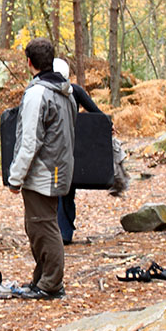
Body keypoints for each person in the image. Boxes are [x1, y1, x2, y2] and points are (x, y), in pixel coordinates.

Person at [5, 38, 76, 300]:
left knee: (43, 227)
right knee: (38, 227)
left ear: (29, 62)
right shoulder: (63, 91)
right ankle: (42, 278)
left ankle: (51, 284)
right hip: (58, 168)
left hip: (45, 172)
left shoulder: (39, 94)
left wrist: (15, 177)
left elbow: (29, 141)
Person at [51, 57, 104, 245]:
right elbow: (97, 114)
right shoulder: (72, 91)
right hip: (66, 152)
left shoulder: (70, 91)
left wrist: (106, 126)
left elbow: (97, 115)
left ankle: (62, 233)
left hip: (62, 151)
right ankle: (62, 232)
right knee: (65, 192)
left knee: (62, 191)